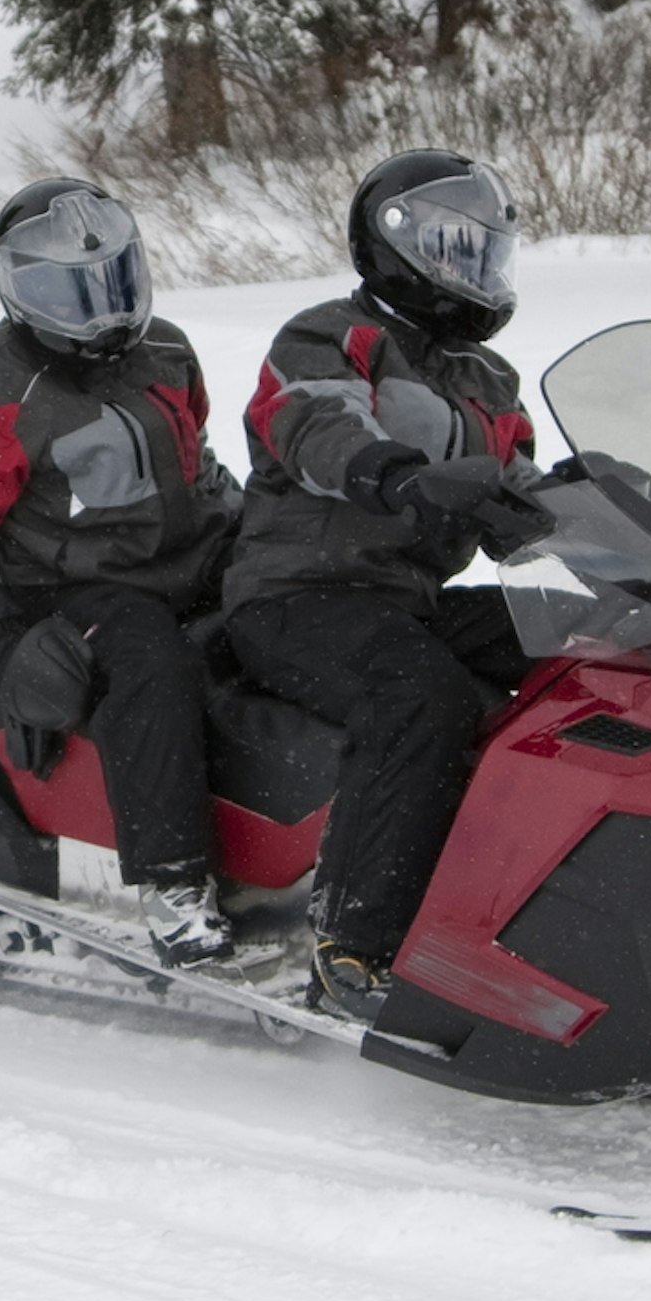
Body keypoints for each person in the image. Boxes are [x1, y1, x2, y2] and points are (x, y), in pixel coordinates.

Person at [222, 151, 555, 1016]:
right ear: (398, 245)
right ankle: (353, 942)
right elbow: (312, 420)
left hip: (405, 601)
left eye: (488, 250)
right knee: (420, 693)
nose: (476, 269)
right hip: (294, 596)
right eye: (458, 248)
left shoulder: (490, 380)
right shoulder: (329, 334)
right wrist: (393, 473)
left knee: (573, 639)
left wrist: (602, 499)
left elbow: (517, 485)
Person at [0, 178, 245, 964]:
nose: (103, 307)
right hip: (71, 584)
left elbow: (197, 466)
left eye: (115, 278)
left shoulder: (166, 351)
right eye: (71, 291)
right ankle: (174, 888)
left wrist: (258, 531)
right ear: (21, 291)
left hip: (189, 556)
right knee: (149, 659)